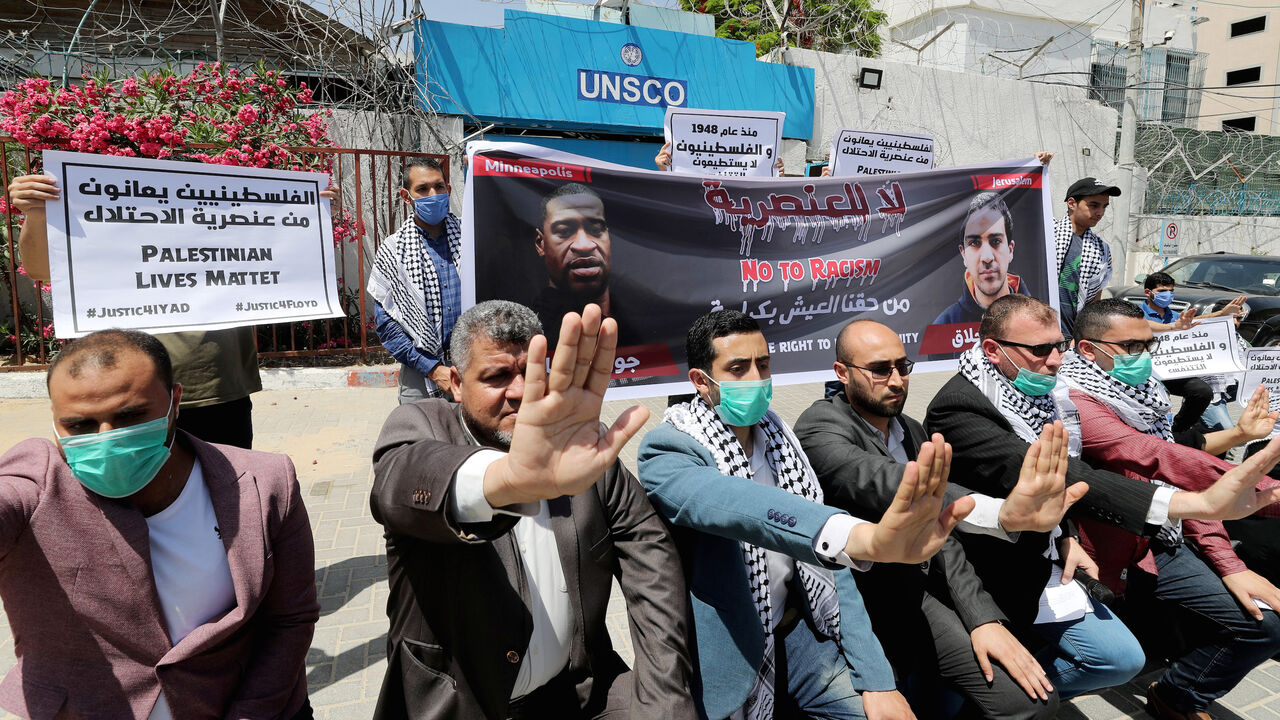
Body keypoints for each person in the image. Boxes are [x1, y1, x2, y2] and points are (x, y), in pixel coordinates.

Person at [926, 293, 1280, 720]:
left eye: (1058, 346)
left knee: (1122, 658)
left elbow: (1163, 450)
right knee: (1050, 682)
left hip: (1104, 543)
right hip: (996, 562)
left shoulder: (1057, 393)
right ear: (992, 350)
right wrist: (1199, 501)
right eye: (1040, 350)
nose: (1055, 360)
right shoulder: (966, 405)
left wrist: (1069, 535)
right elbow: (1081, 475)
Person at [639, 309, 975, 720]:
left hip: (799, 630)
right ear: (701, 381)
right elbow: (734, 504)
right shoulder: (668, 448)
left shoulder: (782, 440)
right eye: (738, 368)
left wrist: (876, 679)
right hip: (731, 651)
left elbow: (832, 570)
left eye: (763, 364)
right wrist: (855, 535)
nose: (757, 379)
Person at [369, 301, 697, 720]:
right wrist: (507, 482)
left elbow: (654, 567)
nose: (521, 391)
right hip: (455, 704)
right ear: (454, 382)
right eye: (497, 376)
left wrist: (665, 698)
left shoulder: (582, 454)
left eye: (532, 373)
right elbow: (399, 482)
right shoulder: (418, 426)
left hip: (582, 695)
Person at [797, 319, 1128, 719]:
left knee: (1031, 701)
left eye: (903, 367)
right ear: (842, 373)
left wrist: (982, 619)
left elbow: (946, 537)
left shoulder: (911, 431)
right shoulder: (820, 426)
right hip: (867, 602)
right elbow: (888, 481)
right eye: (880, 369)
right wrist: (1000, 512)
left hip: (929, 589)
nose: (897, 380)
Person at [0, 328, 318, 718]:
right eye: (80, 425)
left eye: (131, 416)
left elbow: (289, 620)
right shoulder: (34, 483)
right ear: (54, 423)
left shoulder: (264, 482)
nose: (108, 439)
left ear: (175, 401)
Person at [1059, 298, 1280, 719]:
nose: (1144, 357)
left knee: (1263, 627)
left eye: (1148, 345)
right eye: (1132, 348)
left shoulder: (1146, 390)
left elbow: (1180, 467)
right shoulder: (1071, 397)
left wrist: (1228, 563)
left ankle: (1176, 695)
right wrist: (1266, 488)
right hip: (1100, 553)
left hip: (1163, 539)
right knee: (1108, 659)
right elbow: (1153, 455)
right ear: (1088, 350)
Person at [8, 174, 266, 448]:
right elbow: (41, 269)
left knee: (223, 485)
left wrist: (316, 206)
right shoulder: (99, 201)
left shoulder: (223, 197)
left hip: (214, 385)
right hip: (120, 392)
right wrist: (36, 211)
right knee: (128, 486)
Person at [369, 156, 462, 404]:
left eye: (439, 186)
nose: (433, 194)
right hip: (420, 377)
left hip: (473, 367)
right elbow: (387, 325)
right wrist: (433, 369)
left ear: (448, 189)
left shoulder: (472, 238)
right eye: (422, 189)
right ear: (406, 196)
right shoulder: (393, 251)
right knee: (422, 442)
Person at [1139, 271, 1247, 433]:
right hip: (1145, 372)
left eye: (1171, 291)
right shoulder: (1136, 313)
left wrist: (1221, 314)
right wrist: (1172, 327)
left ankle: (1178, 430)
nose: (1167, 295)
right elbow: (1143, 324)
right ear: (1148, 292)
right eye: (1162, 291)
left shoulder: (1173, 315)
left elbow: (1195, 323)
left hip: (1171, 370)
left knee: (1202, 391)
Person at [932, 192, 1031, 326]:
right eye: (974, 243)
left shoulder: (1038, 318)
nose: (987, 257)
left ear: (1010, 250)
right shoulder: (943, 325)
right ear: (963, 255)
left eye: (996, 241)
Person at [1054, 177, 1122, 337]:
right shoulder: (1047, 234)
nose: (1100, 212)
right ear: (1072, 203)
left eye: (1104, 206)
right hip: (1037, 333)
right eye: (1093, 205)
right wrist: (1037, 166)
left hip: (1072, 335)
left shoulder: (1101, 249)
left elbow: (1094, 300)